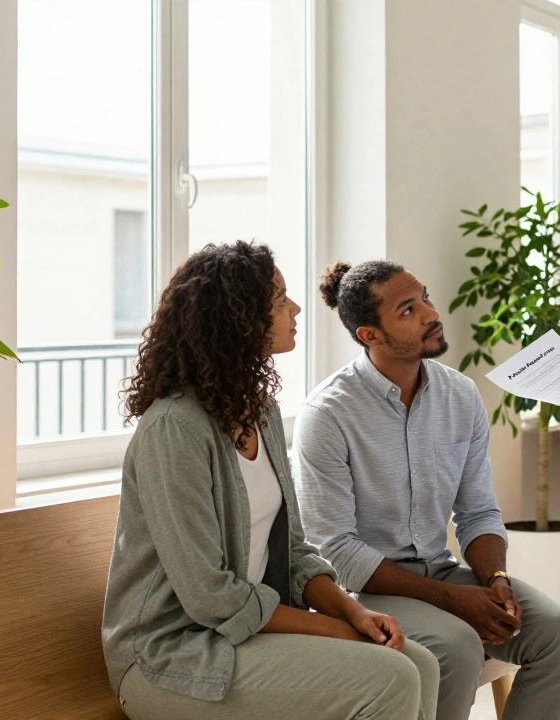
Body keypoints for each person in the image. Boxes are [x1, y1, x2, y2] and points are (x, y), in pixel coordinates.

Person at [102, 242, 438, 720]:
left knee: (420, 663)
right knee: (392, 677)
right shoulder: (174, 428)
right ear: (236, 321)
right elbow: (209, 595)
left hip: (243, 635)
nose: (295, 308)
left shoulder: (261, 411)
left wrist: (352, 612)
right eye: (280, 300)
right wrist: (333, 631)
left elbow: (294, 550)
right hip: (172, 654)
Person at [293, 260, 560, 720]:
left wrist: (496, 581)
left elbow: (477, 512)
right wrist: (453, 600)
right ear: (369, 335)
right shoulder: (327, 415)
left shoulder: (460, 395)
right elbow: (336, 551)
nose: (432, 313)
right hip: (363, 593)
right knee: (455, 647)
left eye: (426, 297)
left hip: (441, 572)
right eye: (409, 310)